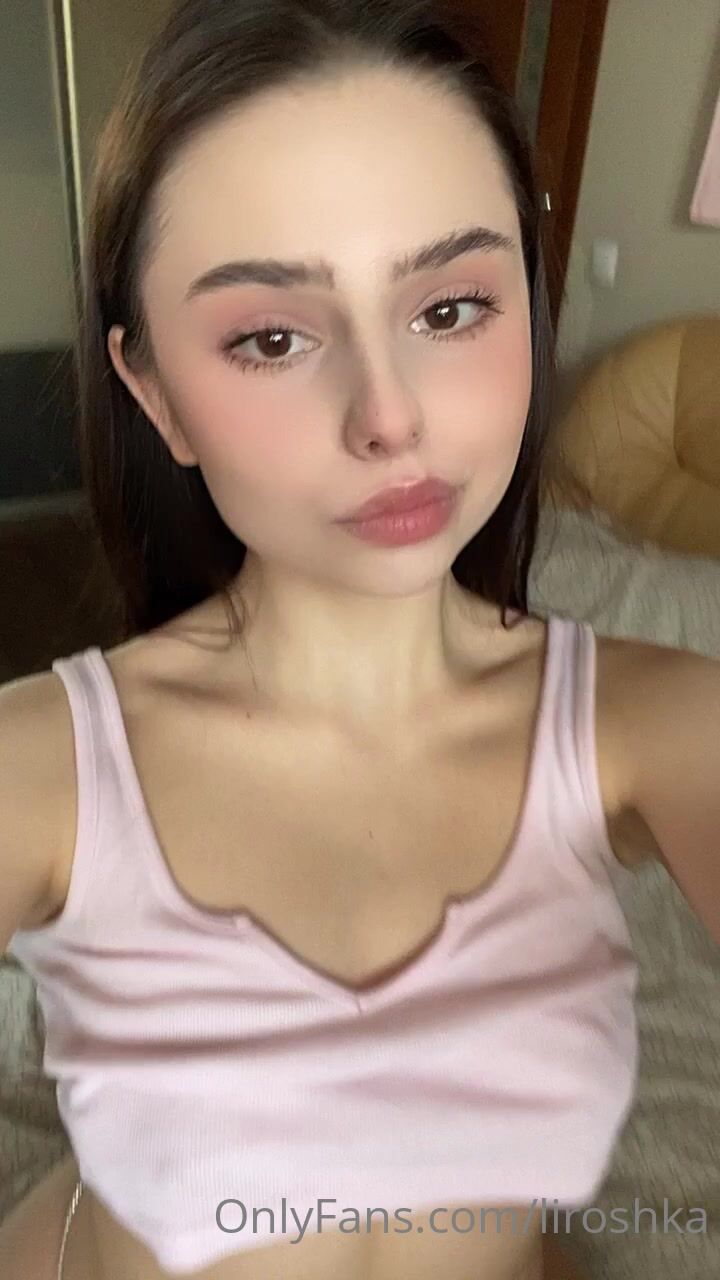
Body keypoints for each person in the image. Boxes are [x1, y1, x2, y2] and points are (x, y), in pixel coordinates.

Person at [0, 1, 718, 1277]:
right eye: (272, 337)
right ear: (156, 394)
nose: (389, 416)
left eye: (450, 309)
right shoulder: (36, 764)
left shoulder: (660, 722)